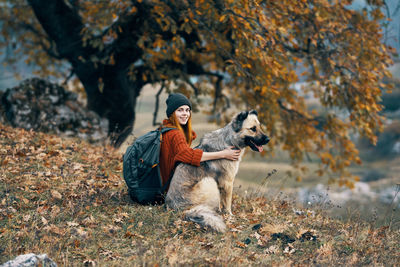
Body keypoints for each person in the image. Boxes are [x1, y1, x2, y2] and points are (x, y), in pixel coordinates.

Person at [159, 93, 241, 187]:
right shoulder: (175, 134)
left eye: (187, 110)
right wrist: (223, 154)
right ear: (172, 113)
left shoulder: (164, 129)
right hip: (169, 190)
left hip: (164, 185)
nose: (185, 113)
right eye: (180, 110)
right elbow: (188, 155)